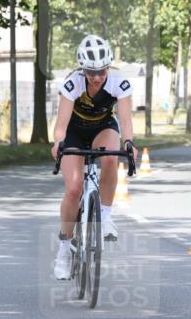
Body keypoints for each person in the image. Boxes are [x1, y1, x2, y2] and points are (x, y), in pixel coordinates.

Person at [51, 35, 135, 280]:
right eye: (90, 72)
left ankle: (106, 216)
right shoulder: (72, 83)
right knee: (74, 188)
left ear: (109, 67)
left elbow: (126, 120)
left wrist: (129, 143)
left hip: (103, 129)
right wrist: (58, 142)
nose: (96, 77)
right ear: (82, 69)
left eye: (101, 71)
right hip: (74, 133)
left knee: (111, 157)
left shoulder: (119, 82)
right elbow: (61, 124)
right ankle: (64, 250)